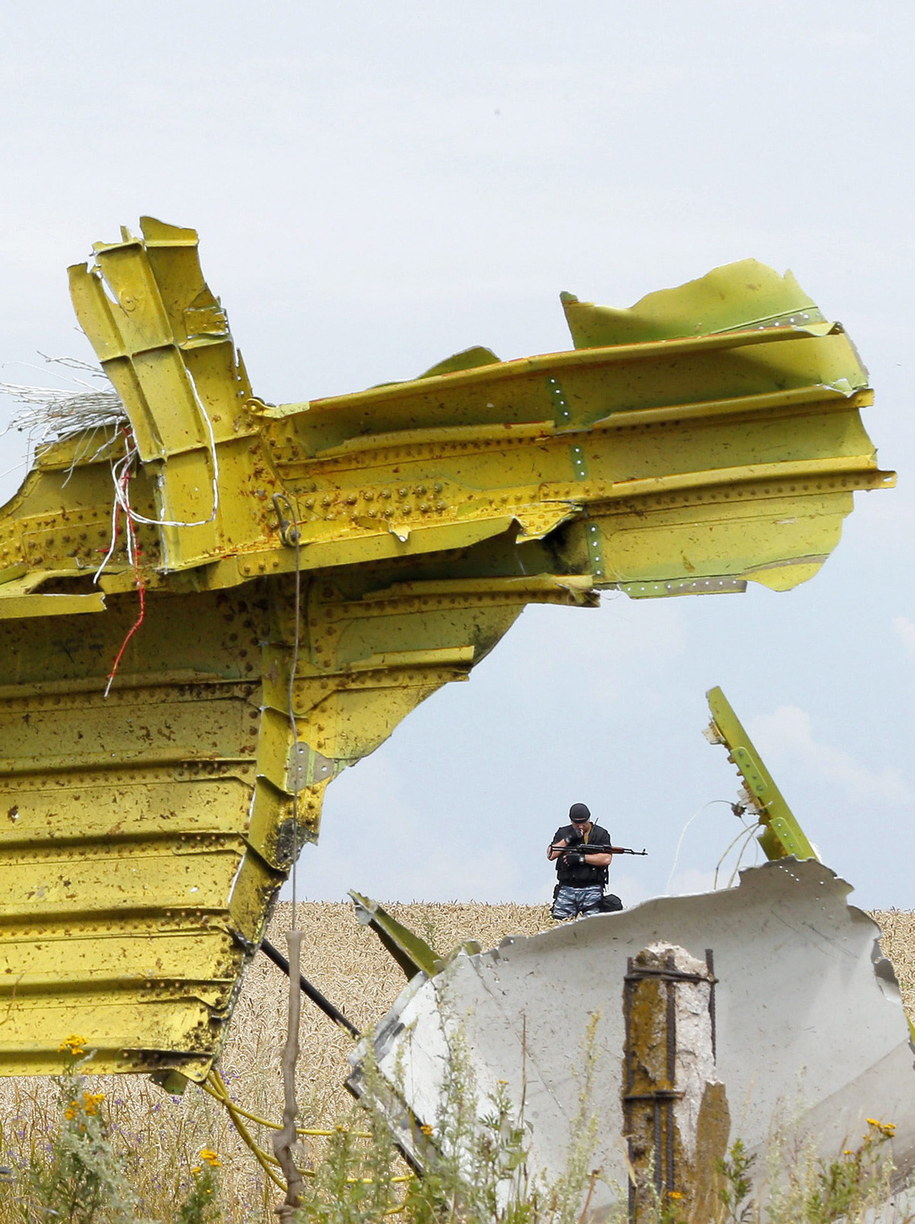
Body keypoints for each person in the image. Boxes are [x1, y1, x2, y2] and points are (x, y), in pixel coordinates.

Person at [547, 802, 615, 920]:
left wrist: (581, 858)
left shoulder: (600, 834)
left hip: (591, 887)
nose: (580, 826)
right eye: (576, 823)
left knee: (593, 924)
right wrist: (569, 838)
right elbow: (551, 854)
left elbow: (606, 858)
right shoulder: (563, 832)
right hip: (567, 887)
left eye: (583, 822)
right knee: (559, 922)